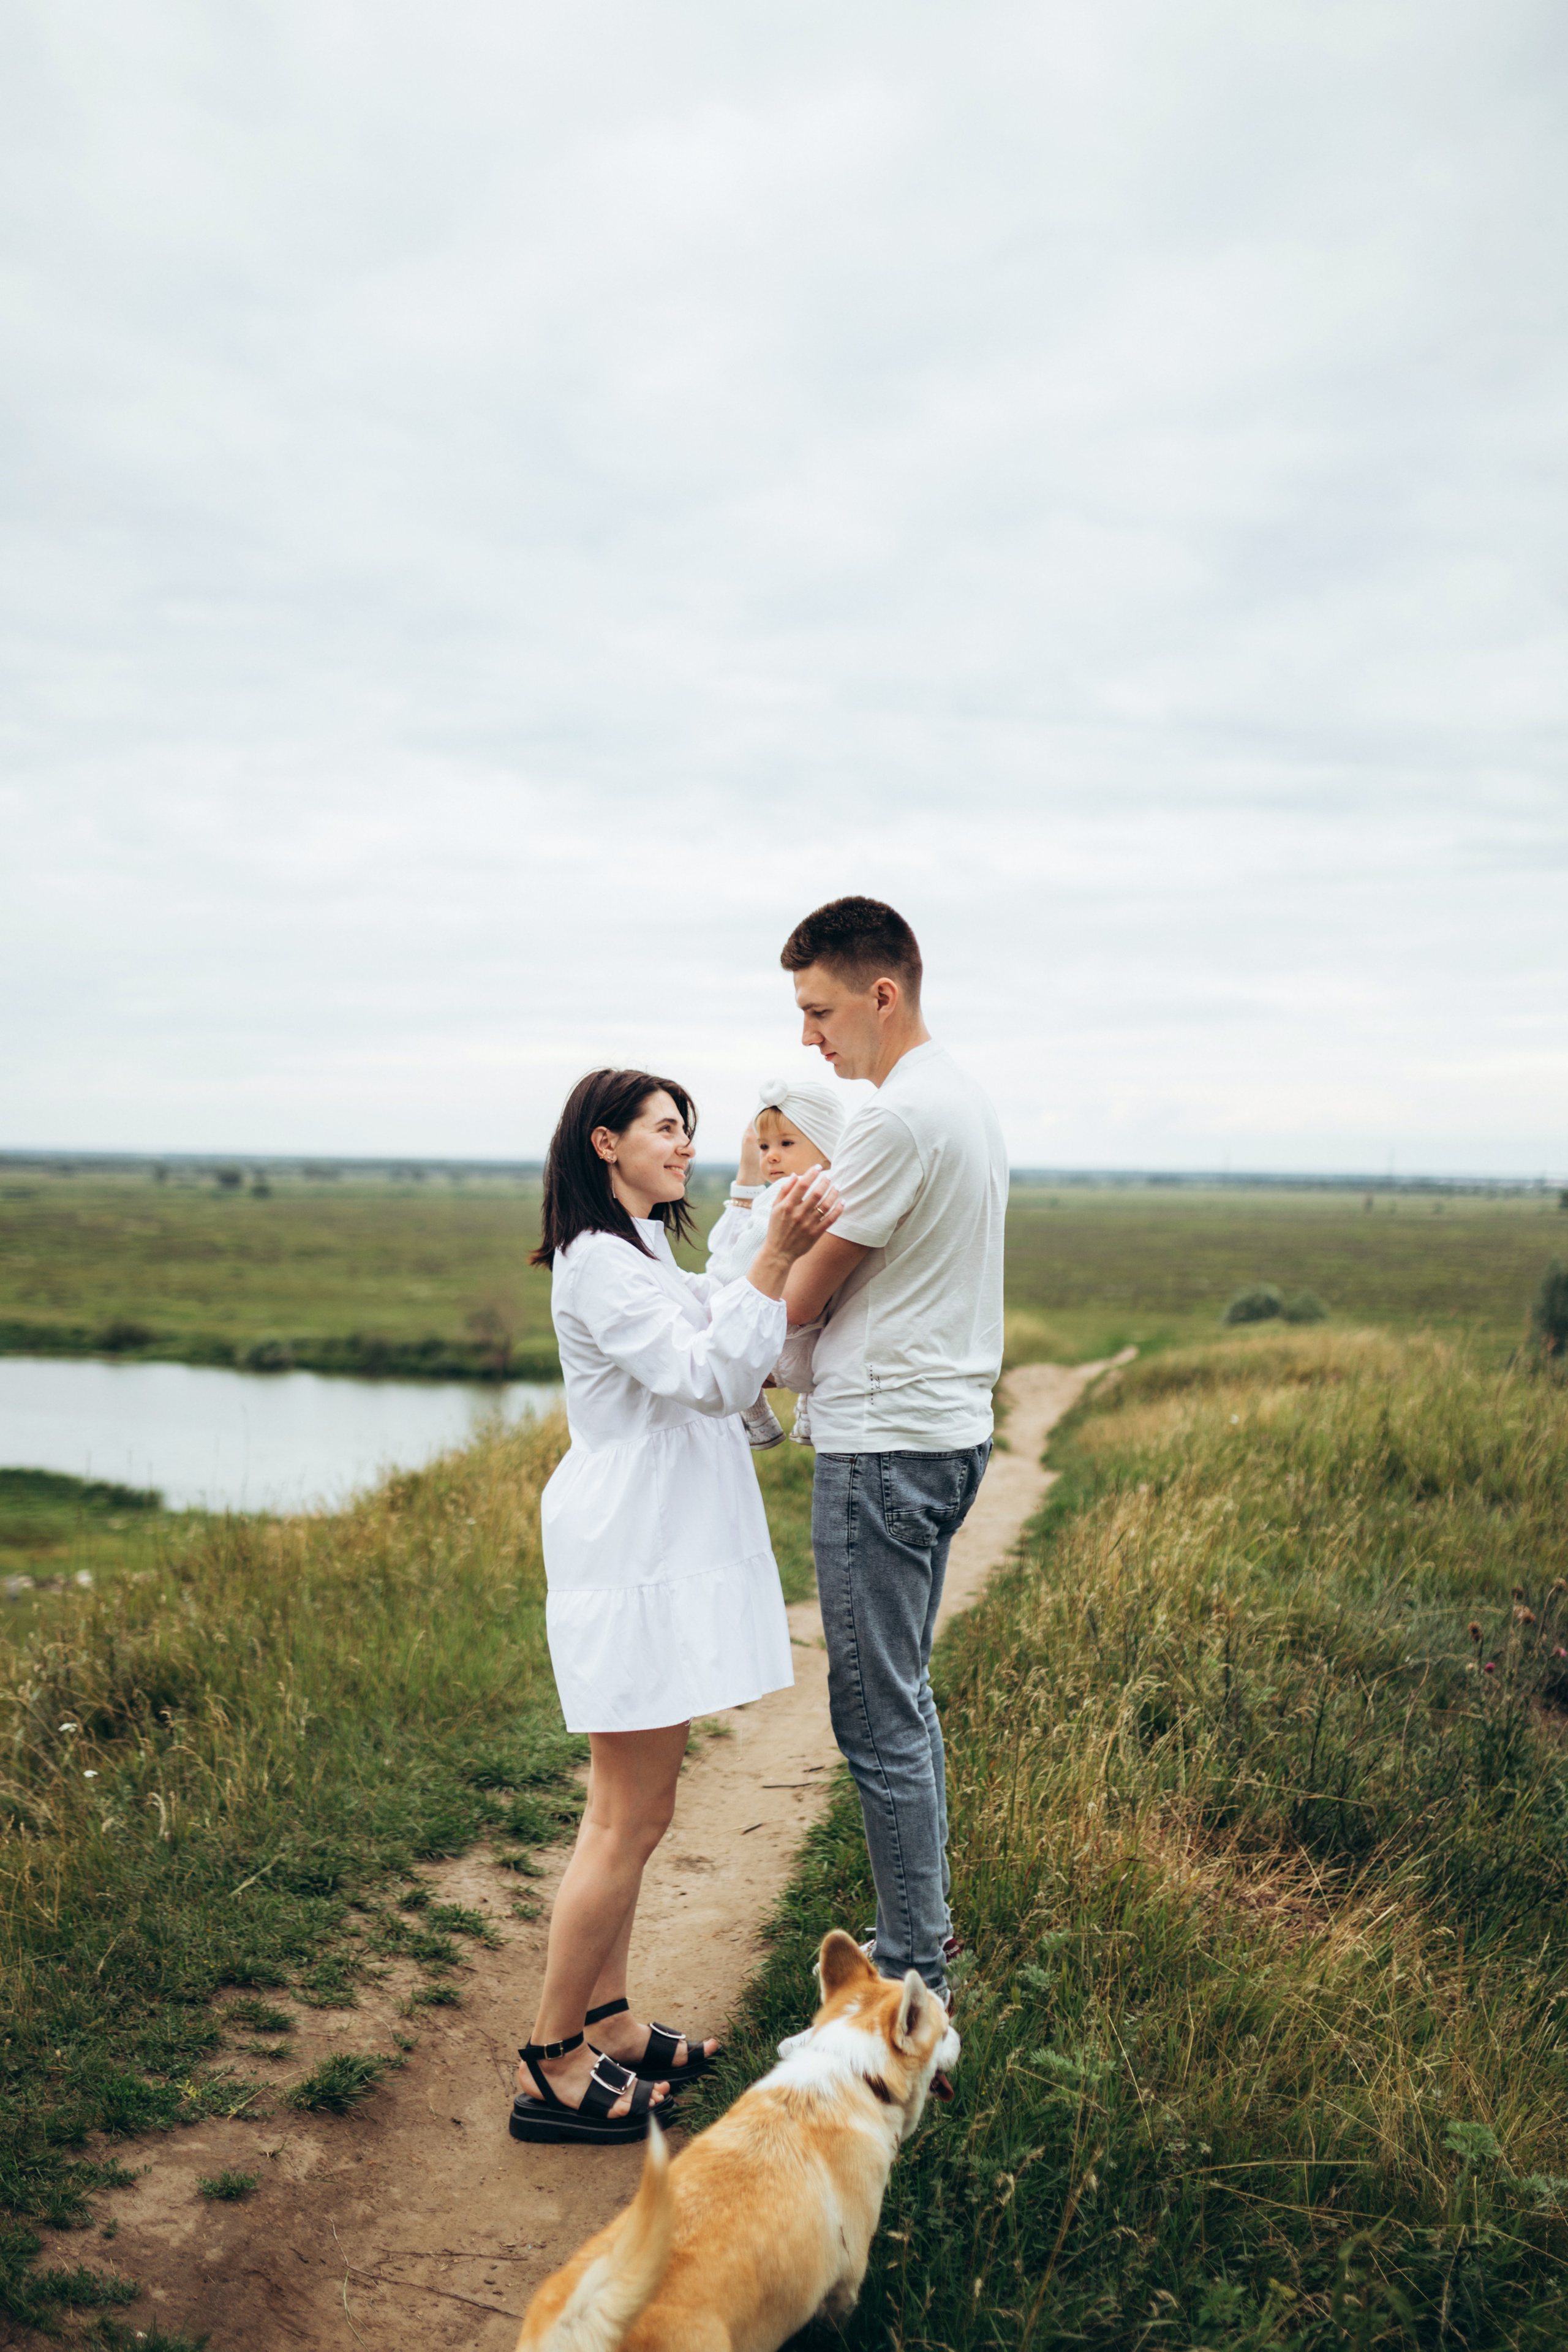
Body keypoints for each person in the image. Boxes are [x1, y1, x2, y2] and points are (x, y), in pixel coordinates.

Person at [511, 1066, 842, 2146]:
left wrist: (758, 1216)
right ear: (604, 1144)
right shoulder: (597, 1265)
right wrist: (783, 1254)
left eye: (691, 1131)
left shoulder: (642, 1249)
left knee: (636, 1817)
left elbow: (724, 1312)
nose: (685, 1145)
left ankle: (608, 2020)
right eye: (666, 1129)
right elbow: (710, 1373)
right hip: (633, 1555)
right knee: (625, 1817)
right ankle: (551, 2059)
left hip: (657, 1548)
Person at [775, 897, 1008, 2011]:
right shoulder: (961, 1099)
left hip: (885, 1444)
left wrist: (764, 1288)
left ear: (884, 992)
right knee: (900, 1699)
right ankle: (922, 1932)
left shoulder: (895, 1121)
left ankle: (914, 1968)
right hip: (945, 1430)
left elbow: (804, 1294)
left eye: (820, 1012)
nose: (810, 1042)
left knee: (875, 1713)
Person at [704, 1077, 846, 1450]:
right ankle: (809, 1418)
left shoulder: (781, 1196)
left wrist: (719, 1290)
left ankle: (758, 1423)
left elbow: (745, 1256)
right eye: (765, 1146)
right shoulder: (844, 1192)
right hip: (820, 1353)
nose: (771, 1156)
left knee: (725, 1343)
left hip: (775, 1346)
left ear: (827, 1149)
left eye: (786, 1144)